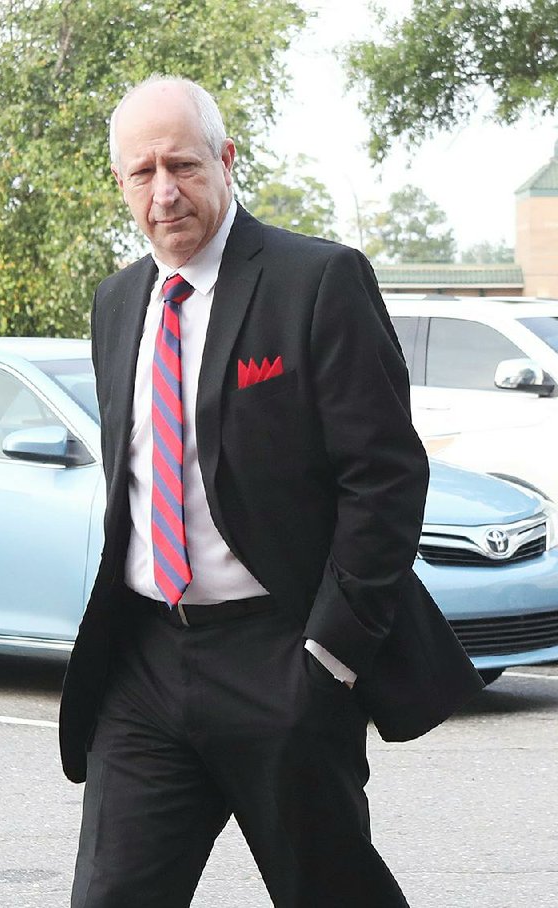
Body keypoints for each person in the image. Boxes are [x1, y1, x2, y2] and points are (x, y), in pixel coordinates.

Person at [60, 75, 483, 908]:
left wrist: (329, 654)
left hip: (280, 658)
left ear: (226, 159)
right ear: (120, 185)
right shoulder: (117, 303)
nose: (164, 191)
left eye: (182, 164)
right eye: (140, 173)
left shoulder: (316, 281)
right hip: (145, 663)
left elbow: (385, 477)